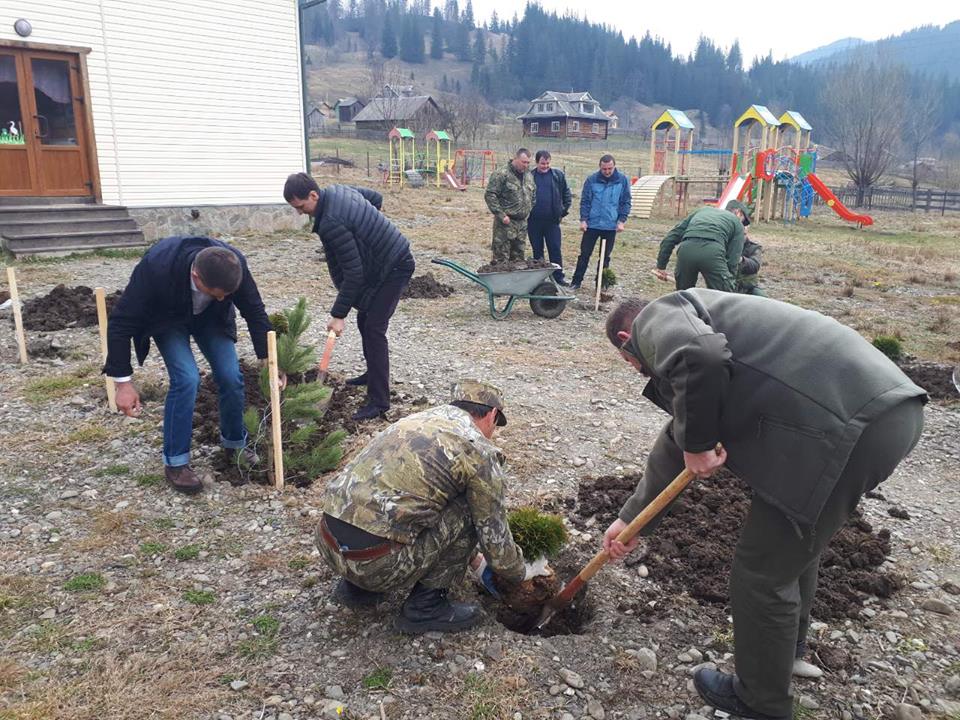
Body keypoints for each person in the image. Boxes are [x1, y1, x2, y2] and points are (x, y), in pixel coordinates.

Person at [602, 292, 926, 720]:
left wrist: (697, 445)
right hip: (888, 413)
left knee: (761, 572)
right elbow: (678, 436)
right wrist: (630, 519)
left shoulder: (660, 317)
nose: (637, 368)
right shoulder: (713, 323)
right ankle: (783, 651)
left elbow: (701, 356)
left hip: (848, 425)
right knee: (793, 543)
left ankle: (761, 702)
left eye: (630, 362)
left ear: (627, 339)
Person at [315, 380, 551, 634]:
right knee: (472, 506)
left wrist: (475, 561)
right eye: (495, 424)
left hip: (328, 545)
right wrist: (522, 570)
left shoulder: (414, 422)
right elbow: (494, 539)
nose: (492, 432)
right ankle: (426, 608)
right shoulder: (478, 450)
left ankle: (355, 589)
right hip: (377, 566)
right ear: (492, 414)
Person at [104, 236, 274, 494]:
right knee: (186, 379)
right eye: (217, 294)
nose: (223, 298)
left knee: (231, 376)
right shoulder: (157, 267)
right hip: (168, 318)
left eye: (227, 295)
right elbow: (121, 322)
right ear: (196, 275)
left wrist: (270, 359)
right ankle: (176, 463)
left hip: (212, 320)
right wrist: (123, 383)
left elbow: (254, 311)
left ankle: (234, 445)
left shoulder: (233, 265)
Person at [284, 172, 415, 421]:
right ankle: (372, 374)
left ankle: (379, 402)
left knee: (374, 328)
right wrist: (369, 239)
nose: (300, 213)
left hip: (396, 266)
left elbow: (353, 274)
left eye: (301, 206)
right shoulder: (338, 190)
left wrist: (338, 315)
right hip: (386, 263)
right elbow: (375, 198)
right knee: (364, 319)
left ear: (313, 195)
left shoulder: (331, 222)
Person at [653, 199, 749, 292]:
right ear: (738, 213)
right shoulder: (737, 223)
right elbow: (733, 259)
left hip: (686, 250)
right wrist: (728, 282)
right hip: (712, 252)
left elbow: (671, 237)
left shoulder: (702, 210)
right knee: (723, 295)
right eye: (743, 221)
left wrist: (661, 266)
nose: (743, 225)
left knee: (684, 295)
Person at [570, 154, 632, 290]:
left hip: (610, 225)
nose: (607, 171)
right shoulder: (591, 180)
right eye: (604, 169)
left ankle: (601, 285)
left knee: (605, 257)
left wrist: (621, 220)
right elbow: (585, 201)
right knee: (584, 254)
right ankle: (576, 281)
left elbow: (625, 202)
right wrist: (583, 220)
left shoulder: (622, 180)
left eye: (610, 168)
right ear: (600, 167)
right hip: (592, 224)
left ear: (614, 166)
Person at [527, 150, 573, 285]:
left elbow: (566, 194)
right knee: (537, 250)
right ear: (537, 162)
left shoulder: (558, 176)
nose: (545, 166)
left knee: (555, 249)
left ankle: (558, 277)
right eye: (542, 163)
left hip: (552, 222)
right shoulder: (529, 176)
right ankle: (539, 279)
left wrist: (562, 212)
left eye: (547, 163)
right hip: (533, 222)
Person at [484, 148, 536, 264]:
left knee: (518, 261)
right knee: (501, 260)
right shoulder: (501, 174)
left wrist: (528, 210)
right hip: (505, 224)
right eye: (523, 162)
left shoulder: (528, 175)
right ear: (515, 158)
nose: (526, 165)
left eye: (528, 163)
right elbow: (490, 195)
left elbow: (533, 195)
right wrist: (501, 215)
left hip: (521, 225)